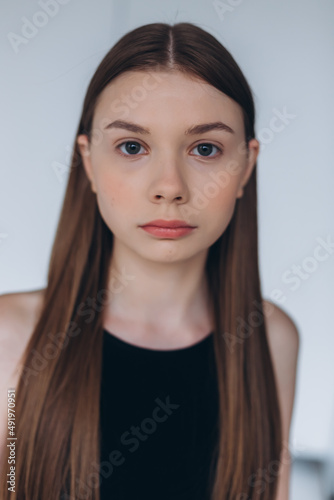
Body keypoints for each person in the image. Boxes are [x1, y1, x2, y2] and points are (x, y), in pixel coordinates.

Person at [0, 22, 299, 500]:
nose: (170, 186)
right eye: (132, 147)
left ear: (246, 164)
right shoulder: (9, 337)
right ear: (90, 162)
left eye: (205, 149)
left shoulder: (271, 337)